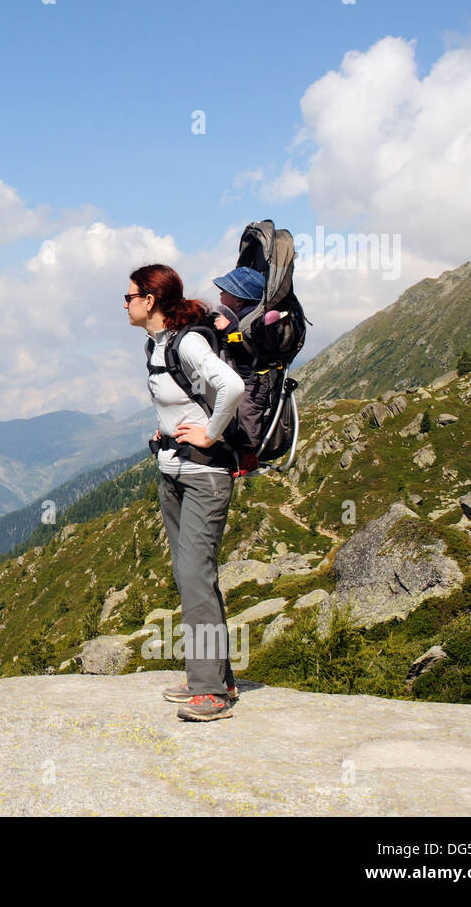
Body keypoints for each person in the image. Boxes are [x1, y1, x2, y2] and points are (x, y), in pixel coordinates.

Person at [126, 263, 243, 721]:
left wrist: (210, 435)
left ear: (150, 301)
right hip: (173, 472)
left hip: (204, 476)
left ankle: (210, 692)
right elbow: (183, 401)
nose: (125, 304)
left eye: (129, 297)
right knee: (191, 575)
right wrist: (167, 432)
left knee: (195, 575)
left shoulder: (187, 342)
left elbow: (229, 387)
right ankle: (216, 678)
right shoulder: (155, 345)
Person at [210, 266, 284, 477]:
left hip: (255, 379)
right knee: (235, 409)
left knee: (247, 410)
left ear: (239, 300)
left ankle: (249, 456)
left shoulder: (251, 321)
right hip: (240, 374)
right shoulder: (239, 315)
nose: (220, 294)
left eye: (225, 292)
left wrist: (230, 330)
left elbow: (249, 342)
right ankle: (233, 448)